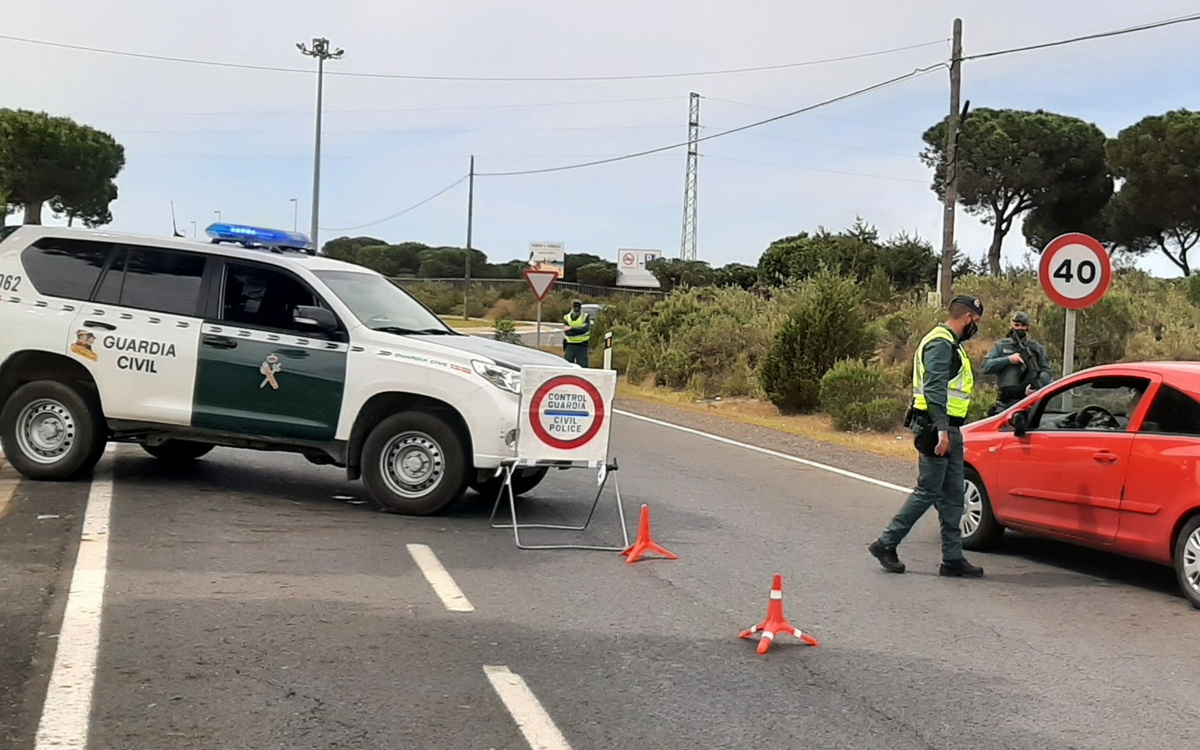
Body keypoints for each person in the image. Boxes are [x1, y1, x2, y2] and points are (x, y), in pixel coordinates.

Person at [868, 295, 986, 578]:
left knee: (954, 495)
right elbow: (934, 389)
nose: (976, 328)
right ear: (968, 318)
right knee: (928, 491)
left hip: (950, 429)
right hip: (936, 429)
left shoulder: (951, 344)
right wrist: (943, 430)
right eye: (977, 322)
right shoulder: (940, 343)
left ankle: (953, 558)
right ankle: (886, 543)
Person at [982, 311, 1052, 415]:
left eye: (1023, 325)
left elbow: (1046, 371)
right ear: (1011, 325)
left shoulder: (1037, 349)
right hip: (1005, 403)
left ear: (1027, 327)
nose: (1019, 328)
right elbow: (986, 367)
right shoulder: (1001, 346)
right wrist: (1008, 360)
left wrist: (1037, 385)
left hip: (1029, 401)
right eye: (1017, 325)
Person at [562, 299, 592, 367]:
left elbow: (585, 329)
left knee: (583, 367)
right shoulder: (567, 317)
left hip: (582, 345)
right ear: (572, 307)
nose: (577, 308)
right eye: (575, 306)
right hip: (570, 345)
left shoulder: (585, 316)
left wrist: (572, 328)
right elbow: (567, 332)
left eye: (578, 306)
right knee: (568, 366)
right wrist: (578, 330)